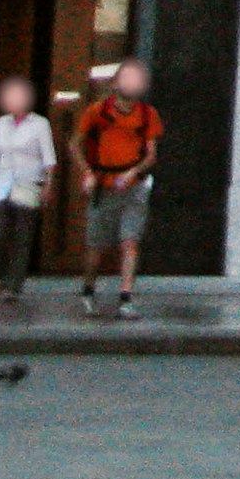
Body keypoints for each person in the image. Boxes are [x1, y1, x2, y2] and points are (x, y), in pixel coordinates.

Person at [68, 58, 159, 320]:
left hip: (133, 187)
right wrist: (87, 172)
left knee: (130, 242)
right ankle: (88, 290)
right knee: (96, 244)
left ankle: (125, 297)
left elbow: (151, 153)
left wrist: (133, 172)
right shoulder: (97, 112)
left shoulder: (147, 114)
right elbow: (75, 144)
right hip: (104, 184)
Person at [0, 76, 51, 306]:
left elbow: (49, 158)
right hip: (3, 183)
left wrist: (48, 187)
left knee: (23, 236)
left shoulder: (40, 124)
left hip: (29, 183)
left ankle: (13, 285)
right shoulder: (1, 123)